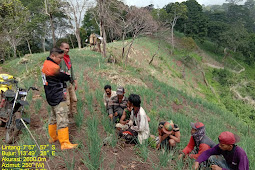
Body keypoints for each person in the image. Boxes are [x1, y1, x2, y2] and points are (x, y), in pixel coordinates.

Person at [41, 47, 78, 150]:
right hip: (58, 96)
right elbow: (65, 76)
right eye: (60, 58)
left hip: (50, 96)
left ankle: (53, 138)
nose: (61, 60)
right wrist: (69, 77)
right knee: (62, 119)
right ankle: (65, 143)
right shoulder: (53, 67)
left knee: (53, 117)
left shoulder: (45, 64)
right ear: (53, 56)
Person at [59, 42, 77, 117]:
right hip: (63, 84)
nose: (67, 50)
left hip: (69, 83)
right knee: (67, 101)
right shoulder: (59, 59)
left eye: (68, 48)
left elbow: (71, 70)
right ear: (61, 48)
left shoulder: (67, 58)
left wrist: (74, 81)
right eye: (66, 48)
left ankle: (74, 114)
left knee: (74, 99)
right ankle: (67, 115)